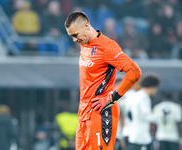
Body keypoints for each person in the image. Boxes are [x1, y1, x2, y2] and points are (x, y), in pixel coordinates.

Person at [64, 11, 141, 150]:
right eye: (71, 36)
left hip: (101, 113)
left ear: (86, 26)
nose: (74, 40)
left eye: (75, 35)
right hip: (83, 114)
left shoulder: (108, 47)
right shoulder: (84, 43)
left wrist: (113, 97)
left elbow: (134, 71)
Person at [127, 74, 161, 150]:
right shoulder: (144, 97)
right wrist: (160, 114)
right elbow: (147, 117)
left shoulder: (136, 95)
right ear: (153, 87)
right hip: (141, 138)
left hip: (133, 134)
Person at [115, 79, 142, 150]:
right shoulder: (109, 100)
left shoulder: (128, 97)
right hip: (112, 134)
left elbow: (123, 117)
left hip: (123, 133)